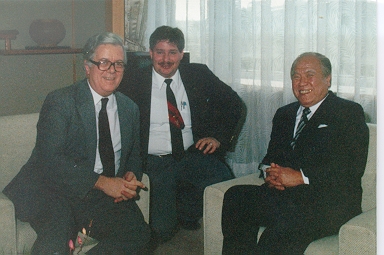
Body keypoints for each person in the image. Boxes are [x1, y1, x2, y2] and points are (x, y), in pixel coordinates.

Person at [3, 32, 151, 255]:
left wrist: (130, 176)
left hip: (97, 197)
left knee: (140, 234)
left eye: (118, 64)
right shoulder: (61, 102)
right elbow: (50, 161)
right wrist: (103, 182)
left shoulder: (130, 108)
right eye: (103, 62)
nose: (112, 70)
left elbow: (134, 156)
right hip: (51, 188)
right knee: (59, 226)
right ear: (87, 66)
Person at [221, 52, 369, 255]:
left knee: (278, 233)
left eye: (310, 75)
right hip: (287, 198)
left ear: (328, 79)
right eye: (296, 76)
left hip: (328, 203)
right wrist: (269, 173)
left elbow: (350, 168)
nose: (302, 83)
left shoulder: (348, 112)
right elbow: (271, 157)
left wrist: (301, 177)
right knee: (235, 197)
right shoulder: (285, 114)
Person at [118, 26, 243, 244]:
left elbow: (233, 103)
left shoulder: (197, 74)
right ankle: (180, 211)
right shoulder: (133, 81)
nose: (166, 59)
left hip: (191, 155)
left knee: (228, 190)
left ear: (181, 54)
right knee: (162, 229)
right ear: (150, 53)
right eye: (159, 52)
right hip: (153, 162)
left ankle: (188, 209)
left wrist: (217, 137)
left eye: (172, 52)